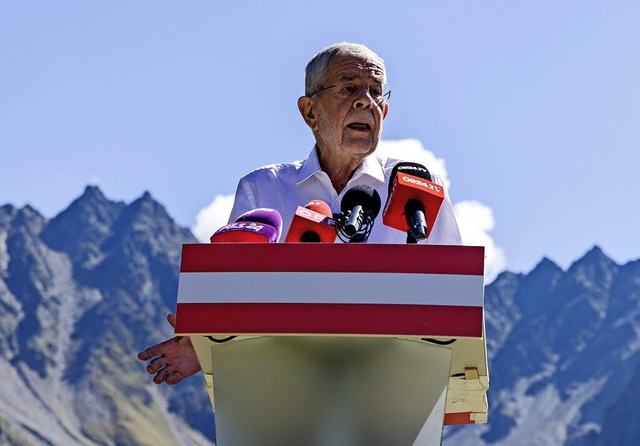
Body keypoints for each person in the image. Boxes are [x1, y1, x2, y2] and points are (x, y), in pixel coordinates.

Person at [137, 42, 462, 385]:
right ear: (309, 111)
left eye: (376, 92)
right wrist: (208, 342)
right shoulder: (263, 189)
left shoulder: (416, 189)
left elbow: (456, 306)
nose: (366, 100)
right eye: (348, 87)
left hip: (395, 391)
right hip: (283, 392)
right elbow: (236, 301)